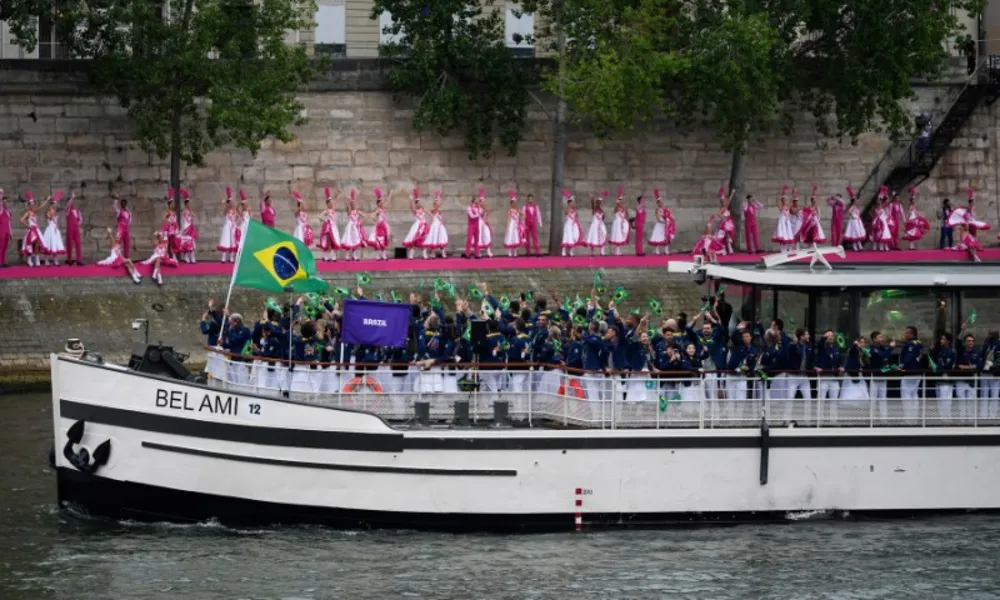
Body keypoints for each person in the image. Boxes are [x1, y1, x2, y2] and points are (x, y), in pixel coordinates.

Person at [898, 326, 924, 424]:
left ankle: (908, 419)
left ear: (911, 334)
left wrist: (901, 366)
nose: (904, 335)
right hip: (917, 373)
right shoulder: (919, 343)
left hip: (909, 373)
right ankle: (914, 418)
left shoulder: (910, 344)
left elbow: (908, 357)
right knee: (914, 395)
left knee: (907, 396)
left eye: (906, 333)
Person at [402, 190, 430, 259]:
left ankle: (424, 254)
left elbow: (429, 212)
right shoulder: (415, 211)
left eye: (420, 203)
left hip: (423, 226)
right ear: (416, 204)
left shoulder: (423, 209)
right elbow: (411, 207)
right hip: (417, 226)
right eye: (418, 203)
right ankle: (411, 254)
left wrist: (432, 216)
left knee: (424, 239)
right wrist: (410, 200)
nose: (419, 204)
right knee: (413, 239)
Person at [20, 193, 46, 267]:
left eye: (33, 203)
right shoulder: (28, 213)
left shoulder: (34, 212)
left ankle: (37, 260)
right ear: (29, 205)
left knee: (37, 244)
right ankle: (29, 260)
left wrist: (46, 201)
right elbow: (21, 220)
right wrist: (28, 225)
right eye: (31, 203)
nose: (33, 204)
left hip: (36, 230)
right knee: (30, 245)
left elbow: (41, 207)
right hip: (31, 231)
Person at [366, 188, 391, 261]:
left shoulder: (382, 209)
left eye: (383, 202)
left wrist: (390, 194)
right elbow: (373, 215)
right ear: (378, 203)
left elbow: (388, 202)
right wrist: (374, 218)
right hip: (379, 227)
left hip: (384, 227)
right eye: (381, 202)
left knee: (383, 240)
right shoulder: (378, 210)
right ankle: (378, 255)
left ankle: (383, 255)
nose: (383, 203)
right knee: (378, 241)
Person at [317, 187, 342, 262]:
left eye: (332, 203)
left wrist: (339, 193)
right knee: (329, 242)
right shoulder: (326, 210)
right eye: (330, 203)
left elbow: (336, 201)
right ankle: (331, 257)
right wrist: (325, 220)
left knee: (332, 242)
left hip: (334, 228)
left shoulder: (333, 209)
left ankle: (327, 257)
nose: (332, 204)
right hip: (328, 228)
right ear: (327, 204)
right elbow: (319, 216)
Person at [340, 190, 366, 261]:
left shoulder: (357, 211)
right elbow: (347, 207)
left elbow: (365, 216)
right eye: (353, 204)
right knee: (349, 241)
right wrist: (349, 200)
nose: (354, 205)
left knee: (355, 241)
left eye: (355, 204)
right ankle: (347, 256)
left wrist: (359, 222)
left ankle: (355, 256)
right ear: (351, 205)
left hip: (356, 228)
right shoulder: (350, 212)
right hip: (350, 228)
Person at [647, 191, 675, 255]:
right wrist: (664, 221)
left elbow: (667, 215)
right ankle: (657, 250)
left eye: (662, 202)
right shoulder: (657, 210)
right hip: (660, 225)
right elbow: (658, 218)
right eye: (660, 203)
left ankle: (666, 250)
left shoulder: (664, 209)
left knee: (666, 237)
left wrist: (668, 219)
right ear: (658, 203)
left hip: (665, 225)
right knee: (658, 237)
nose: (661, 203)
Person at [41, 196, 66, 265]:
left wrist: (54, 213)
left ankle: (55, 260)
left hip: (55, 230)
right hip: (50, 230)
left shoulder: (55, 212)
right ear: (51, 205)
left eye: (55, 205)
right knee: (48, 244)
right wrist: (52, 213)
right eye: (53, 205)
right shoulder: (48, 212)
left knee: (55, 244)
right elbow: (49, 218)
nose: (55, 206)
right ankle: (46, 260)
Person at [424, 190, 449, 258]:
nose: (437, 204)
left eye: (437, 203)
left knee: (442, 239)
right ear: (434, 205)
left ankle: (443, 253)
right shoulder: (433, 211)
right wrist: (440, 199)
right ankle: (433, 253)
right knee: (434, 239)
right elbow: (428, 210)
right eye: (436, 203)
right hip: (434, 226)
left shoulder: (439, 211)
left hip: (440, 227)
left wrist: (441, 199)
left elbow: (441, 218)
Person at [772, 186, 796, 252]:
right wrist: (779, 193)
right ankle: (783, 249)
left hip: (787, 222)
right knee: (782, 235)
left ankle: (788, 248)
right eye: (784, 200)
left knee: (788, 235)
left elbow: (791, 201)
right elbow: (777, 201)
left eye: (786, 200)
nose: (786, 201)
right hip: (782, 222)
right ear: (782, 201)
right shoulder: (781, 207)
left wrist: (793, 195)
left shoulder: (788, 207)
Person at [217, 193, 240, 262]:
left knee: (232, 242)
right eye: (230, 202)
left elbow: (238, 217)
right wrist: (226, 202)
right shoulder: (226, 209)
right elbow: (225, 213)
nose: (232, 204)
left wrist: (235, 222)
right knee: (226, 241)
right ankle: (223, 257)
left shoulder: (234, 210)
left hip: (232, 227)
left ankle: (231, 257)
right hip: (227, 227)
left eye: (232, 202)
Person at [503, 191, 525, 257]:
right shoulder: (510, 210)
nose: (514, 204)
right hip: (511, 225)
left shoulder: (518, 210)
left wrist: (521, 221)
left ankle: (515, 251)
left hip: (516, 226)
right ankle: (510, 251)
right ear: (511, 203)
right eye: (513, 203)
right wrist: (507, 227)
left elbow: (524, 215)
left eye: (515, 202)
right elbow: (508, 219)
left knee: (516, 238)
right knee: (510, 237)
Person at [560, 191, 582, 256]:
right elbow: (566, 213)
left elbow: (576, 217)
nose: (571, 204)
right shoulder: (566, 209)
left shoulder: (574, 210)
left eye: (572, 202)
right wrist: (569, 208)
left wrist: (577, 224)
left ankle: (571, 252)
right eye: (570, 203)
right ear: (568, 203)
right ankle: (563, 252)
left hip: (573, 225)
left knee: (573, 237)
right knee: (566, 237)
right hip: (568, 225)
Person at [65, 192, 84, 265]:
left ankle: (79, 260)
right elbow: (67, 206)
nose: (73, 203)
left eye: (73, 202)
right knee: (69, 244)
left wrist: (77, 224)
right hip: (70, 229)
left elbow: (81, 220)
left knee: (78, 243)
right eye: (71, 201)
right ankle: (69, 260)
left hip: (76, 229)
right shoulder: (68, 210)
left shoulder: (77, 211)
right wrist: (72, 198)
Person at [463, 192, 483, 259]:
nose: (478, 201)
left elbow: (482, 214)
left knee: (477, 239)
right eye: (476, 200)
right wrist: (478, 213)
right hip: (471, 225)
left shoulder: (478, 208)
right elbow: (472, 216)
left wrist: (480, 209)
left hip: (477, 225)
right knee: (469, 239)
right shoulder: (469, 208)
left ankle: (476, 254)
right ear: (473, 201)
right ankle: (467, 253)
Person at [180, 195, 198, 263]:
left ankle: (192, 256)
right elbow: (182, 220)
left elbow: (194, 216)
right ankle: (186, 256)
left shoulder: (190, 211)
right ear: (186, 204)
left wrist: (192, 215)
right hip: (186, 228)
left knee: (192, 241)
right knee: (186, 242)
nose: (190, 205)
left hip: (190, 227)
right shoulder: (184, 211)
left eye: (190, 204)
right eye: (188, 204)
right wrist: (182, 229)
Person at [113, 194, 132, 260]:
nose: (124, 205)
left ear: (126, 204)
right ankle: (117, 258)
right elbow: (115, 207)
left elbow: (130, 221)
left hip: (126, 229)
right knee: (118, 243)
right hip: (120, 228)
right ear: (121, 205)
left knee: (127, 243)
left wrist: (126, 225)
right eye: (122, 204)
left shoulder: (129, 212)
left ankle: (126, 257)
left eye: (125, 204)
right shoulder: (119, 211)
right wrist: (115, 199)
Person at [477, 194, 494, 258]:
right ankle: (478, 252)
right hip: (478, 223)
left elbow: (486, 217)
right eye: (482, 201)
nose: (483, 203)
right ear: (480, 201)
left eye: (484, 202)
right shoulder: (477, 208)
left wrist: (486, 213)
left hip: (484, 223)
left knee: (487, 235)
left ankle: (488, 251)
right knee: (479, 237)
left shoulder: (485, 208)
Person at [0, 189, 10, 267]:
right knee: (1, 245)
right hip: (1, 229)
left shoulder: (6, 209)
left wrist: (10, 231)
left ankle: (3, 261)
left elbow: (9, 221)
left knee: (5, 246)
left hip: (7, 229)